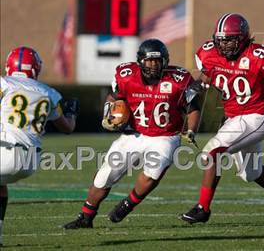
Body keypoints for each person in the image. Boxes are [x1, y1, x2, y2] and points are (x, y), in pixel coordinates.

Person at [63, 39, 201, 229]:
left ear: (165, 61)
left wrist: (191, 129)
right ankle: (85, 217)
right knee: (104, 176)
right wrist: (109, 113)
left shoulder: (179, 79)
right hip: (133, 134)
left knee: (152, 173)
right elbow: (114, 96)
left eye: (157, 61)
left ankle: (128, 204)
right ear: (140, 61)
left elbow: (193, 108)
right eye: (149, 61)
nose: (153, 65)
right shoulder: (126, 76)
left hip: (165, 136)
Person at [180, 13, 264, 224]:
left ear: (243, 38)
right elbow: (208, 74)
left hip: (259, 115)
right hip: (235, 118)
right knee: (251, 173)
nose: (224, 45)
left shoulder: (258, 56)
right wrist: (199, 85)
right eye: (221, 39)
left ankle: (202, 208)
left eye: (230, 39)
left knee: (212, 154)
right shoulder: (210, 54)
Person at [0, 47, 78, 246]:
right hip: (30, 161)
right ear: (35, 69)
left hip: (5, 150)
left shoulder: (4, 83)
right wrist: (72, 114)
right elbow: (68, 128)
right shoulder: (50, 94)